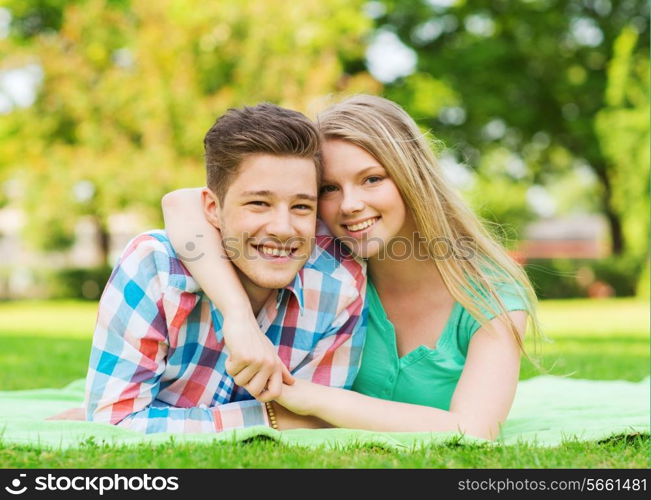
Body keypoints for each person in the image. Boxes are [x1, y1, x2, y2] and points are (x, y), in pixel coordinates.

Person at [162, 95, 539, 440]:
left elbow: (474, 430)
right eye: (329, 188)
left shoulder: (492, 294)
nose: (349, 205)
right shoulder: (324, 251)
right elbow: (181, 203)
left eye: (372, 179)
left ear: (412, 177)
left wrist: (310, 398)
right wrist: (237, 316)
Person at [81, 103, 367, 433]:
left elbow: (317, 418)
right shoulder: (154, 269)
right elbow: (113, 425)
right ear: (212, 209)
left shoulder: (338, 285)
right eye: (259, 203)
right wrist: (269, 420)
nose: (284, 228)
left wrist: (160, 417)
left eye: (301, 206)